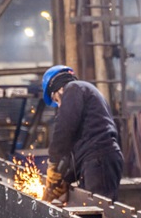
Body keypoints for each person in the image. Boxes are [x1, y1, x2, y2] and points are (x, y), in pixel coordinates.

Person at [41, 65, 124, 203]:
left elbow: (64, 128)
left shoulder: (73, 88)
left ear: (58, 88)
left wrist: (53, 162)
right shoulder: (85, 92)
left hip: (99, 161)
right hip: (99, 161)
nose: (59, 106)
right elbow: (78, 150)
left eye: (56, 100)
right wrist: (66, 180)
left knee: (97, 213)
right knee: (91, 213)